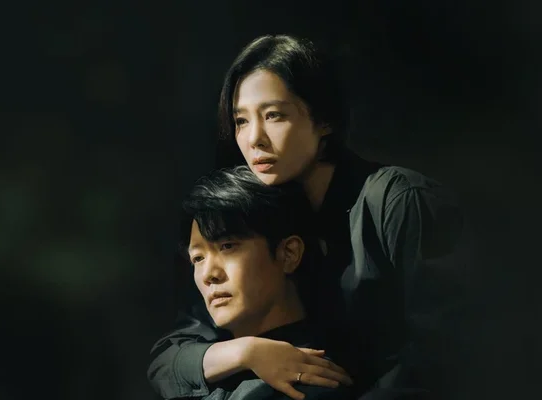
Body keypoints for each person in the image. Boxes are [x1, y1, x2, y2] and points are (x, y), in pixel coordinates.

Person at [149, 34, 469, 400]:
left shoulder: (396, 201)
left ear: (325, 119)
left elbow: (449, 354)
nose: (254, 139)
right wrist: (247, 351)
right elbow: (169, 359)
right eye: (240, 121)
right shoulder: (257, 214)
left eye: (274, 115)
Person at [174, 166, 354, 400]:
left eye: (227, 246)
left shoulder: (317, 381)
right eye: (198, 258)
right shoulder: (203, 374)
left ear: (289, 254)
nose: (209, 274)